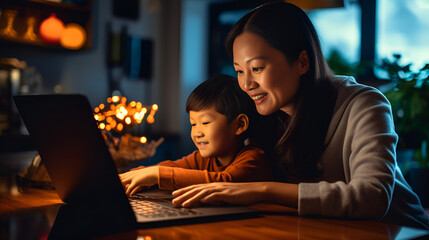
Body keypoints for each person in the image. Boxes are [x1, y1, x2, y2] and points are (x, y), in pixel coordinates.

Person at [171, 2, 429, 229]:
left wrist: (262, 190)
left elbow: (372, 197)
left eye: (257, 68)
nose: (247, 84)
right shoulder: (261, 115)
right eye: (239, 71)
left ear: (302, 62)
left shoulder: (365, 104)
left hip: (400, 231)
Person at [119, 74, 272, 196]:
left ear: (239, 125)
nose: (197, 133)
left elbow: (224, 182)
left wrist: (157, 174)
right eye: (193, 124)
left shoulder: (253, 159)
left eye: (205, 123)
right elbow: (170, 168)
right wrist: (137, 178)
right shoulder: (202, 159)